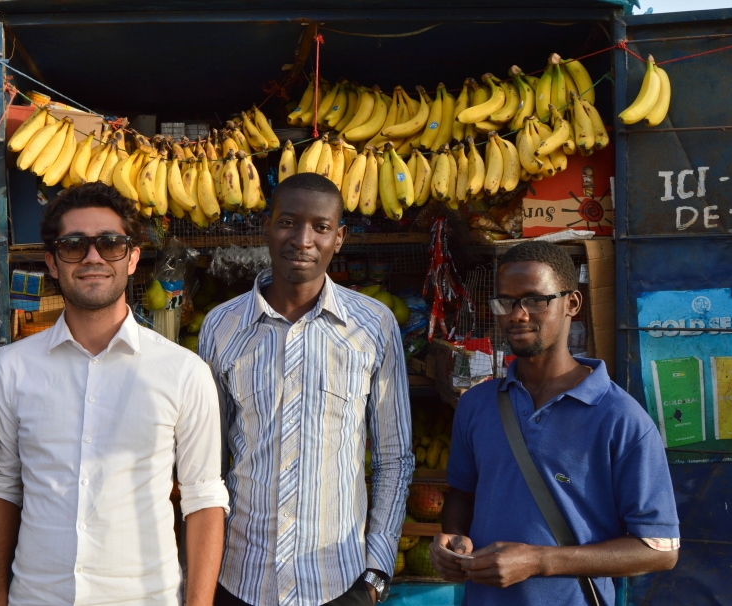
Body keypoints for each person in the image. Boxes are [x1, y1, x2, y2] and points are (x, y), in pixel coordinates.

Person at [0, 182, 229, 606]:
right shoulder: (12, 367)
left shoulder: (184, 372)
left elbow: (204, 496)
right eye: (74, 244)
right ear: (52, 262)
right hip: (38, 596)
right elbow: (5, 487)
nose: (93, 257)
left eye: (111, 243)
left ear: (133, 258)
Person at [199, 173, 414, 606]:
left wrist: (375, 572)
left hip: (337, 581)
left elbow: (394, 458)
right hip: (239, 577)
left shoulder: (374, 326)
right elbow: (209, 461)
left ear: (340, 237)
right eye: (288, 222)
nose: (303, 239)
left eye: (320, 227)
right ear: (267, 225)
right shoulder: (220, 326)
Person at [431, 241, 680, 605]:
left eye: (534, 300)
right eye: (506, 302)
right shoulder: (476, 405)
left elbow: (659, 550)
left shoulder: (621, 419)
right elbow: (462, 496)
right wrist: (452, 539)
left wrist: (539, 561)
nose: (517, 315)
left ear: (572, 304)